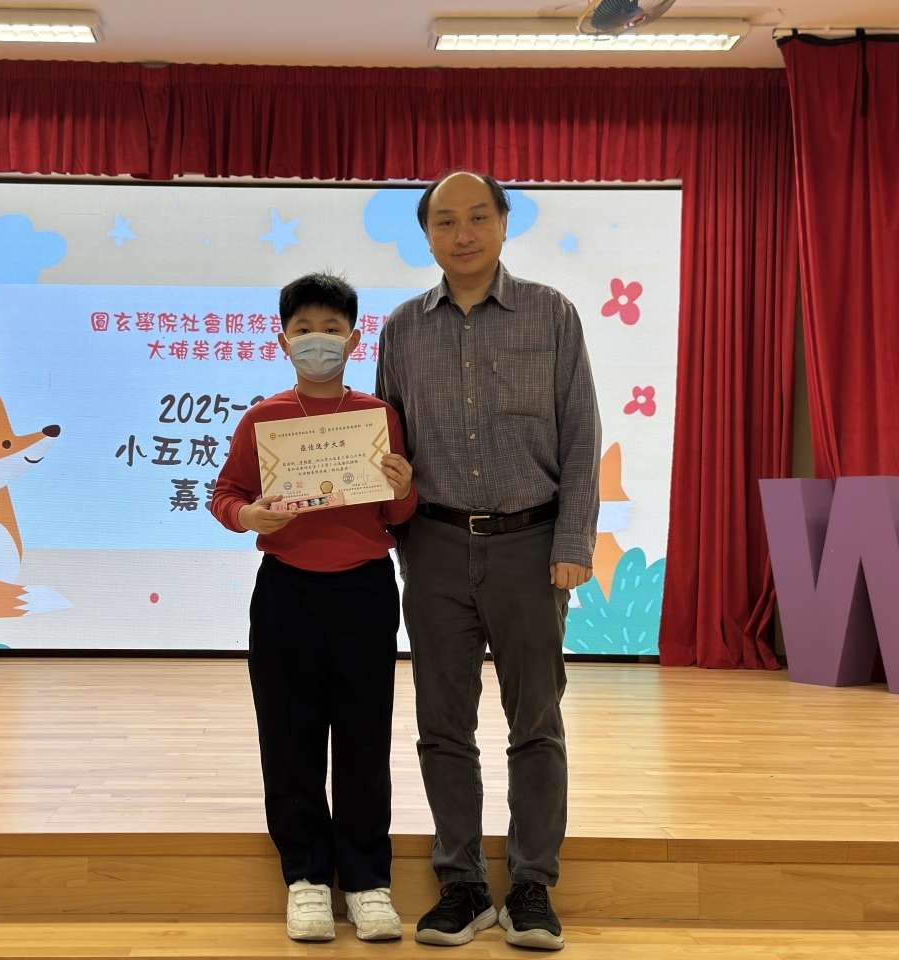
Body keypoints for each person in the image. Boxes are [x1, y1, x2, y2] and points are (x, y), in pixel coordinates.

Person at [375, 172, 601, 951]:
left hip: (532, 546)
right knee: (442, 725)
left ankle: (532, 885)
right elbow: (387, 442)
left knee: (535, 721)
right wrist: (394, 519)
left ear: (505, 224)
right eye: (445, 221)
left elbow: (581, 436)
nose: (462, 233)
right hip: (433, 546)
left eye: (478, 217)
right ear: (427, 235)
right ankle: (462, 886)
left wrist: (572, 544)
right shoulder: (401, 329)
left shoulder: (551, 313)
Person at [210, 272, 418, 943]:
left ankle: (367, 882)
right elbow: (225, 494)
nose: (318, 340)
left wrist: (405, 489)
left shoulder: (377, 417)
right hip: (287, 591)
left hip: (365, 588)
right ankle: (305, 879)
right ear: (283, 340)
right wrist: (248, 515)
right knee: (289, 736)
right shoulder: (263, 419)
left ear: (355, 341)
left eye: (332, 329)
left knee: (364, 735)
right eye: (304, 329)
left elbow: (398, 514)